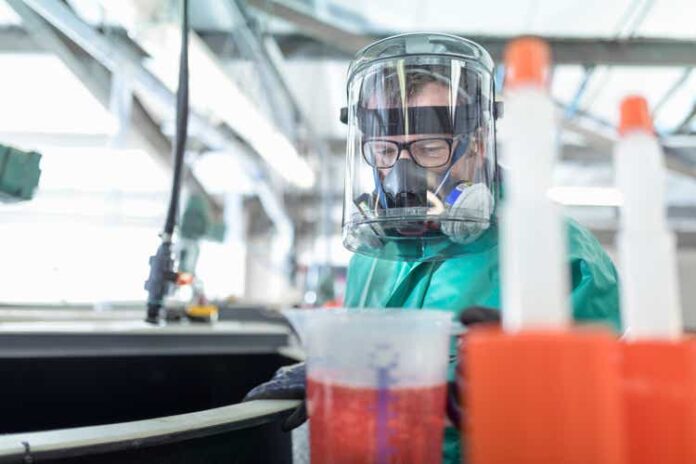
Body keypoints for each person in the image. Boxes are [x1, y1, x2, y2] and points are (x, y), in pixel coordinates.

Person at [246, 33, 620, 464]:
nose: (402, 174)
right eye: (385, 151)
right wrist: (334, 373)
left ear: (477, 142)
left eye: (428, 149)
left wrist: (523, 390)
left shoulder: (564, 256)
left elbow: (601, 424)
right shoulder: (373, 253)